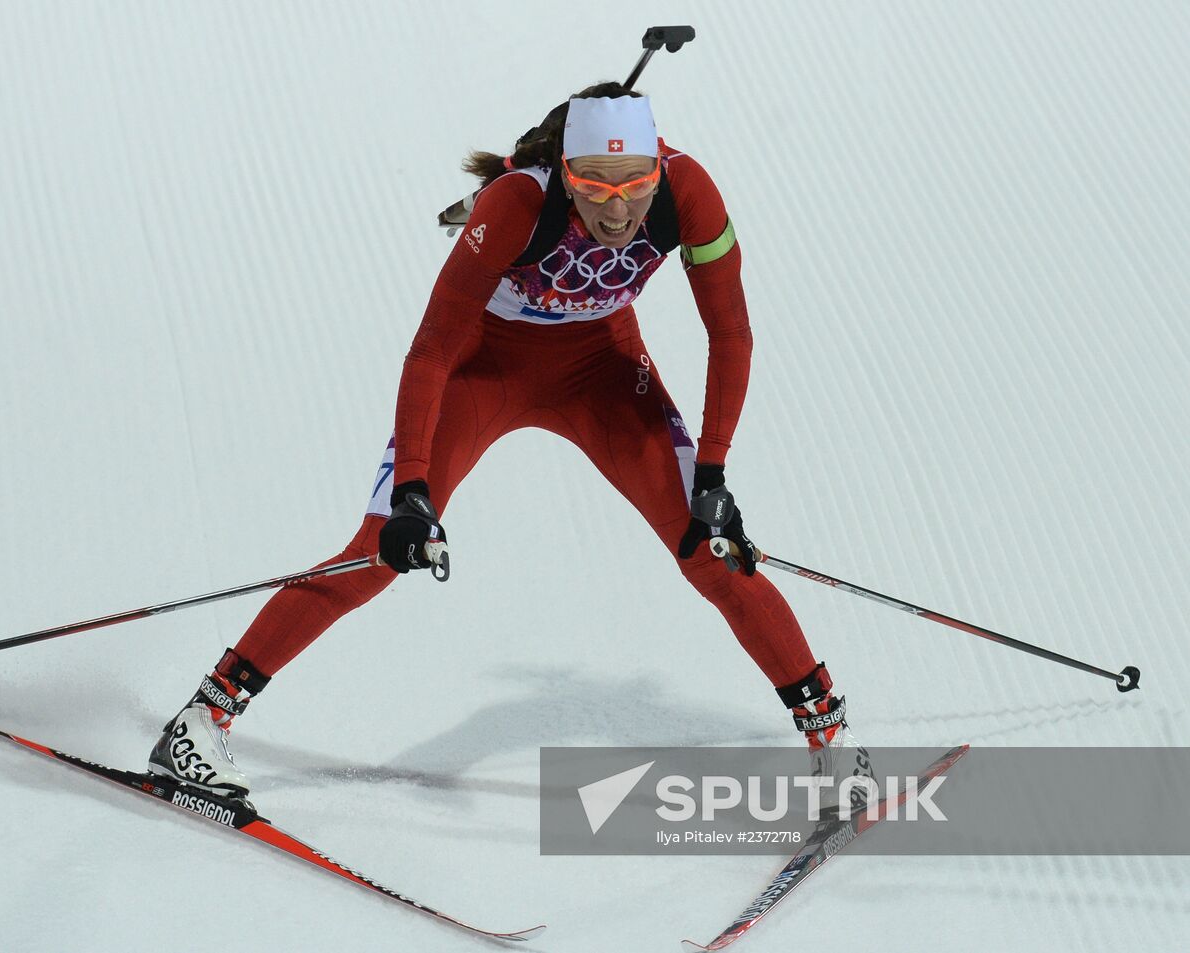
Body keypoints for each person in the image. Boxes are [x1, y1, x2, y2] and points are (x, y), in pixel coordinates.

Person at [147, 83, 869, 812]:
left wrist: (713, 470)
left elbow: (731, 334)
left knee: (712, 548)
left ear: (659, 167)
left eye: (636, 186)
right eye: (592, 187)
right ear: (564, 170)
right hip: (483, 368)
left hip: (602, 372)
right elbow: (431, 350)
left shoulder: (693, 193)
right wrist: (413, 494)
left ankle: (833, 748)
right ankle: (200, 723)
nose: (617, 212)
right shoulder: (517, 203)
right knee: (374, 555)